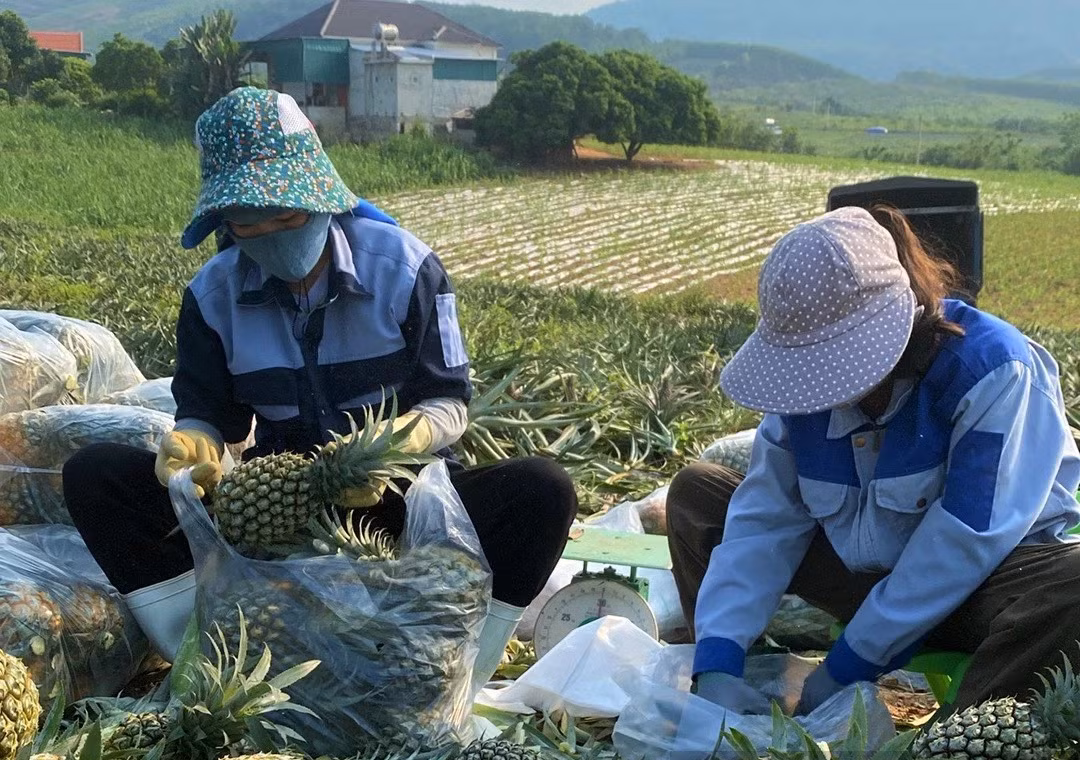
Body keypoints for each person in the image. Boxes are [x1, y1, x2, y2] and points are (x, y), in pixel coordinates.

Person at [61, 87, 578, 697]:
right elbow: (211, 415)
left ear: (321, 197)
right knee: (97, 475)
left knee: (543, 491)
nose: (271, 235)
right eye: (249, 224)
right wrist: (194, 440)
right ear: (225, 223)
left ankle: (448, 680)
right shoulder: (212, 296)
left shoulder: (407, 269)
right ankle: (214, 667)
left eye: (287, 217)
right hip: (276, 507)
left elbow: (448, 403)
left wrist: (397, 439)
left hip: (404, 497)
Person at [667, 204, 1080, 717]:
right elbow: (765, 519)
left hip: (985, 587)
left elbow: (966, 540)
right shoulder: (803, 396)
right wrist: (718, 659)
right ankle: (734, 695)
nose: (819, 380)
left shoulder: (992, 372)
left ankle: (955, 743)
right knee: (699, 493)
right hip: (862, 573)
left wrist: (847, 664)